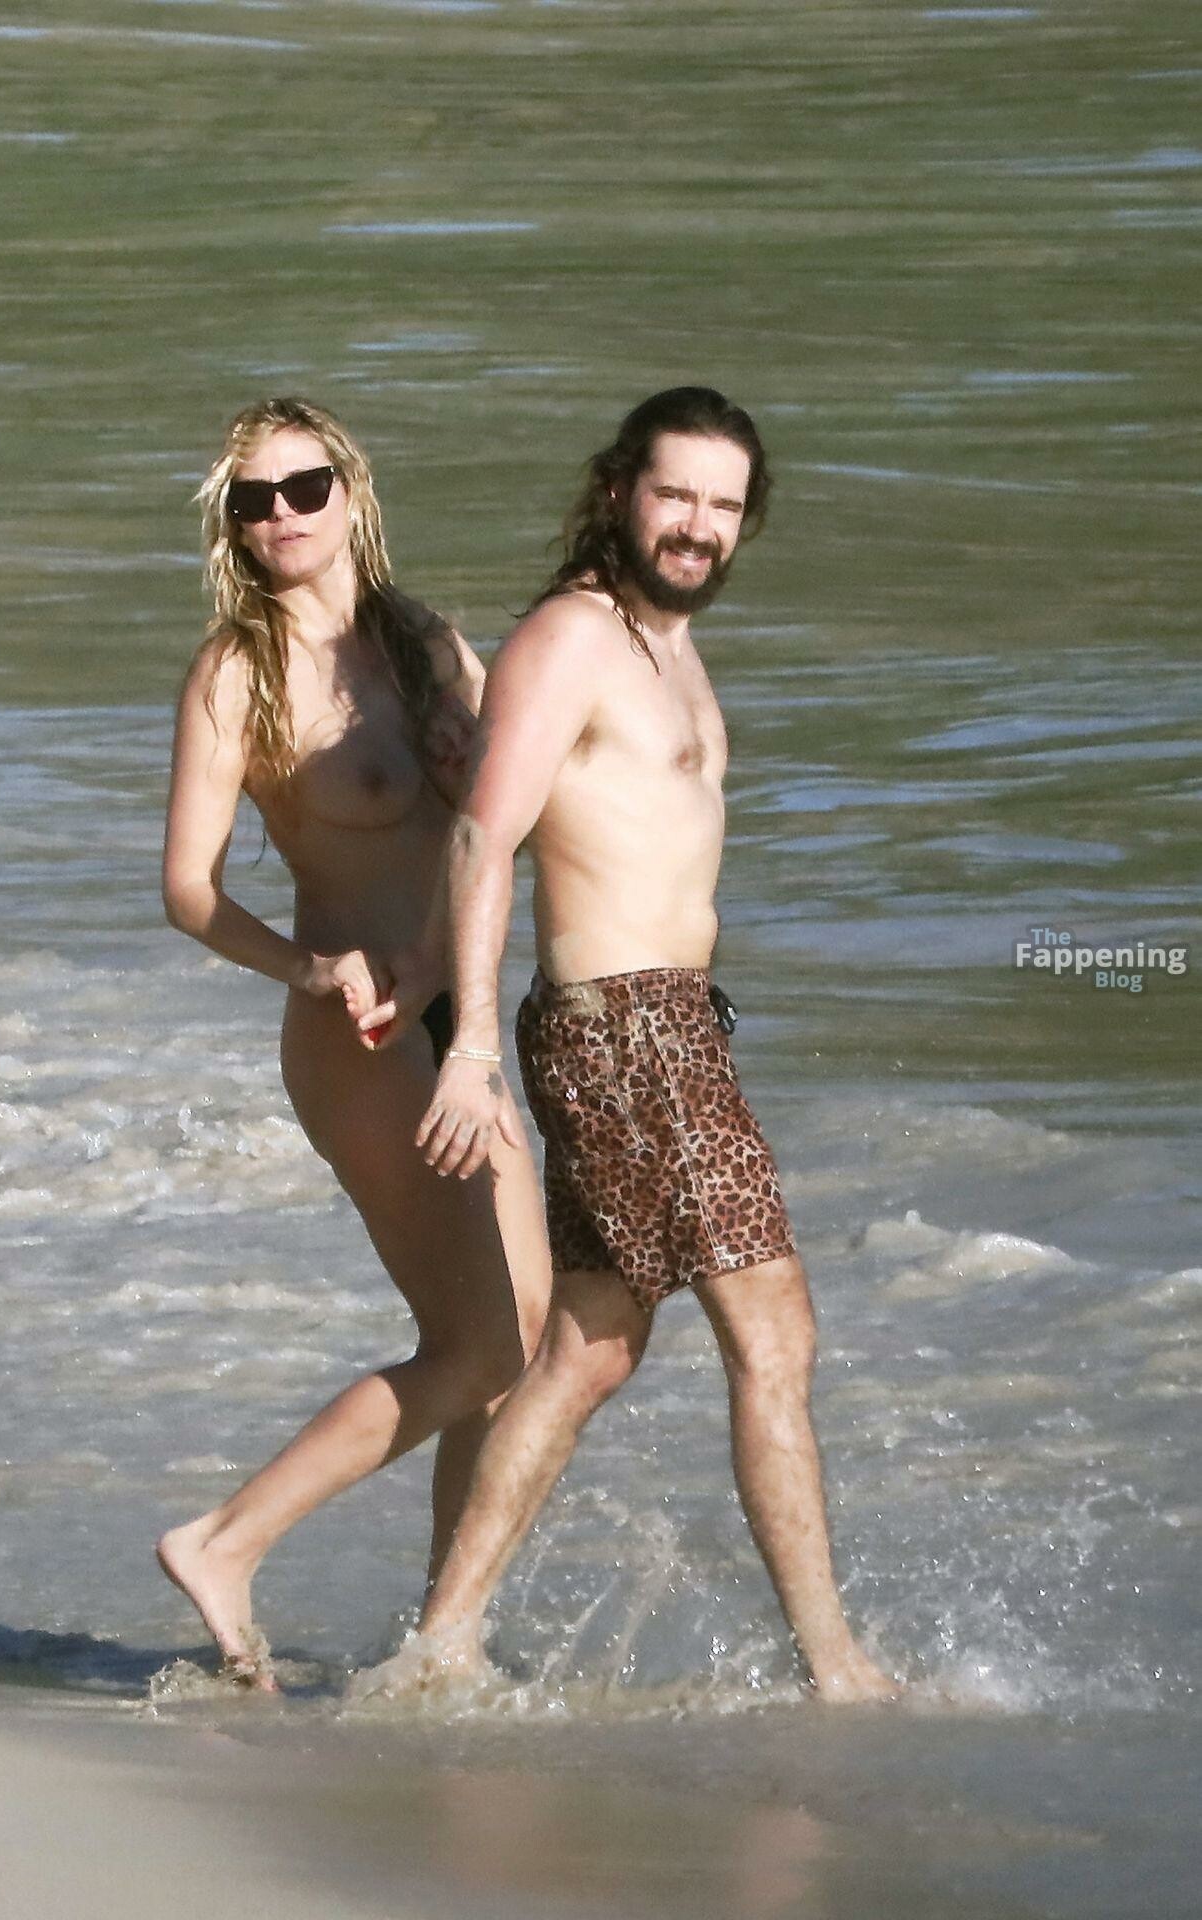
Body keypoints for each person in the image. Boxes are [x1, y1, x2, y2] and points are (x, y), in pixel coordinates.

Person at [404, 387, 898, 1701]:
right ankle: (836, 1666)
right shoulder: (575, 635)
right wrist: (466, 1050)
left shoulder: (665, 646)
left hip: (664, 1028)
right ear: (619, 488)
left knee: (591, 1346)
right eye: (675, 493)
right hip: (626, 1031)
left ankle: (442, 1640)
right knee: (774, 1336)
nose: (697, 525)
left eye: (723, 506)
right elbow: (482, 834)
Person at [157, 396, 550, 1687]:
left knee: (518, 1342)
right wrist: (306, 965)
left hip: (459, 1016)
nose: (281, 515)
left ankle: (448, 1632)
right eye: (252, 500)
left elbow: (508, 810)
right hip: (360, 1029)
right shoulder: (237, 675)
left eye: (304, 487)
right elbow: (189, 889)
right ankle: (223, 1542)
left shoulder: (424, 643)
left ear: (351, 491)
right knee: (478, 1346)